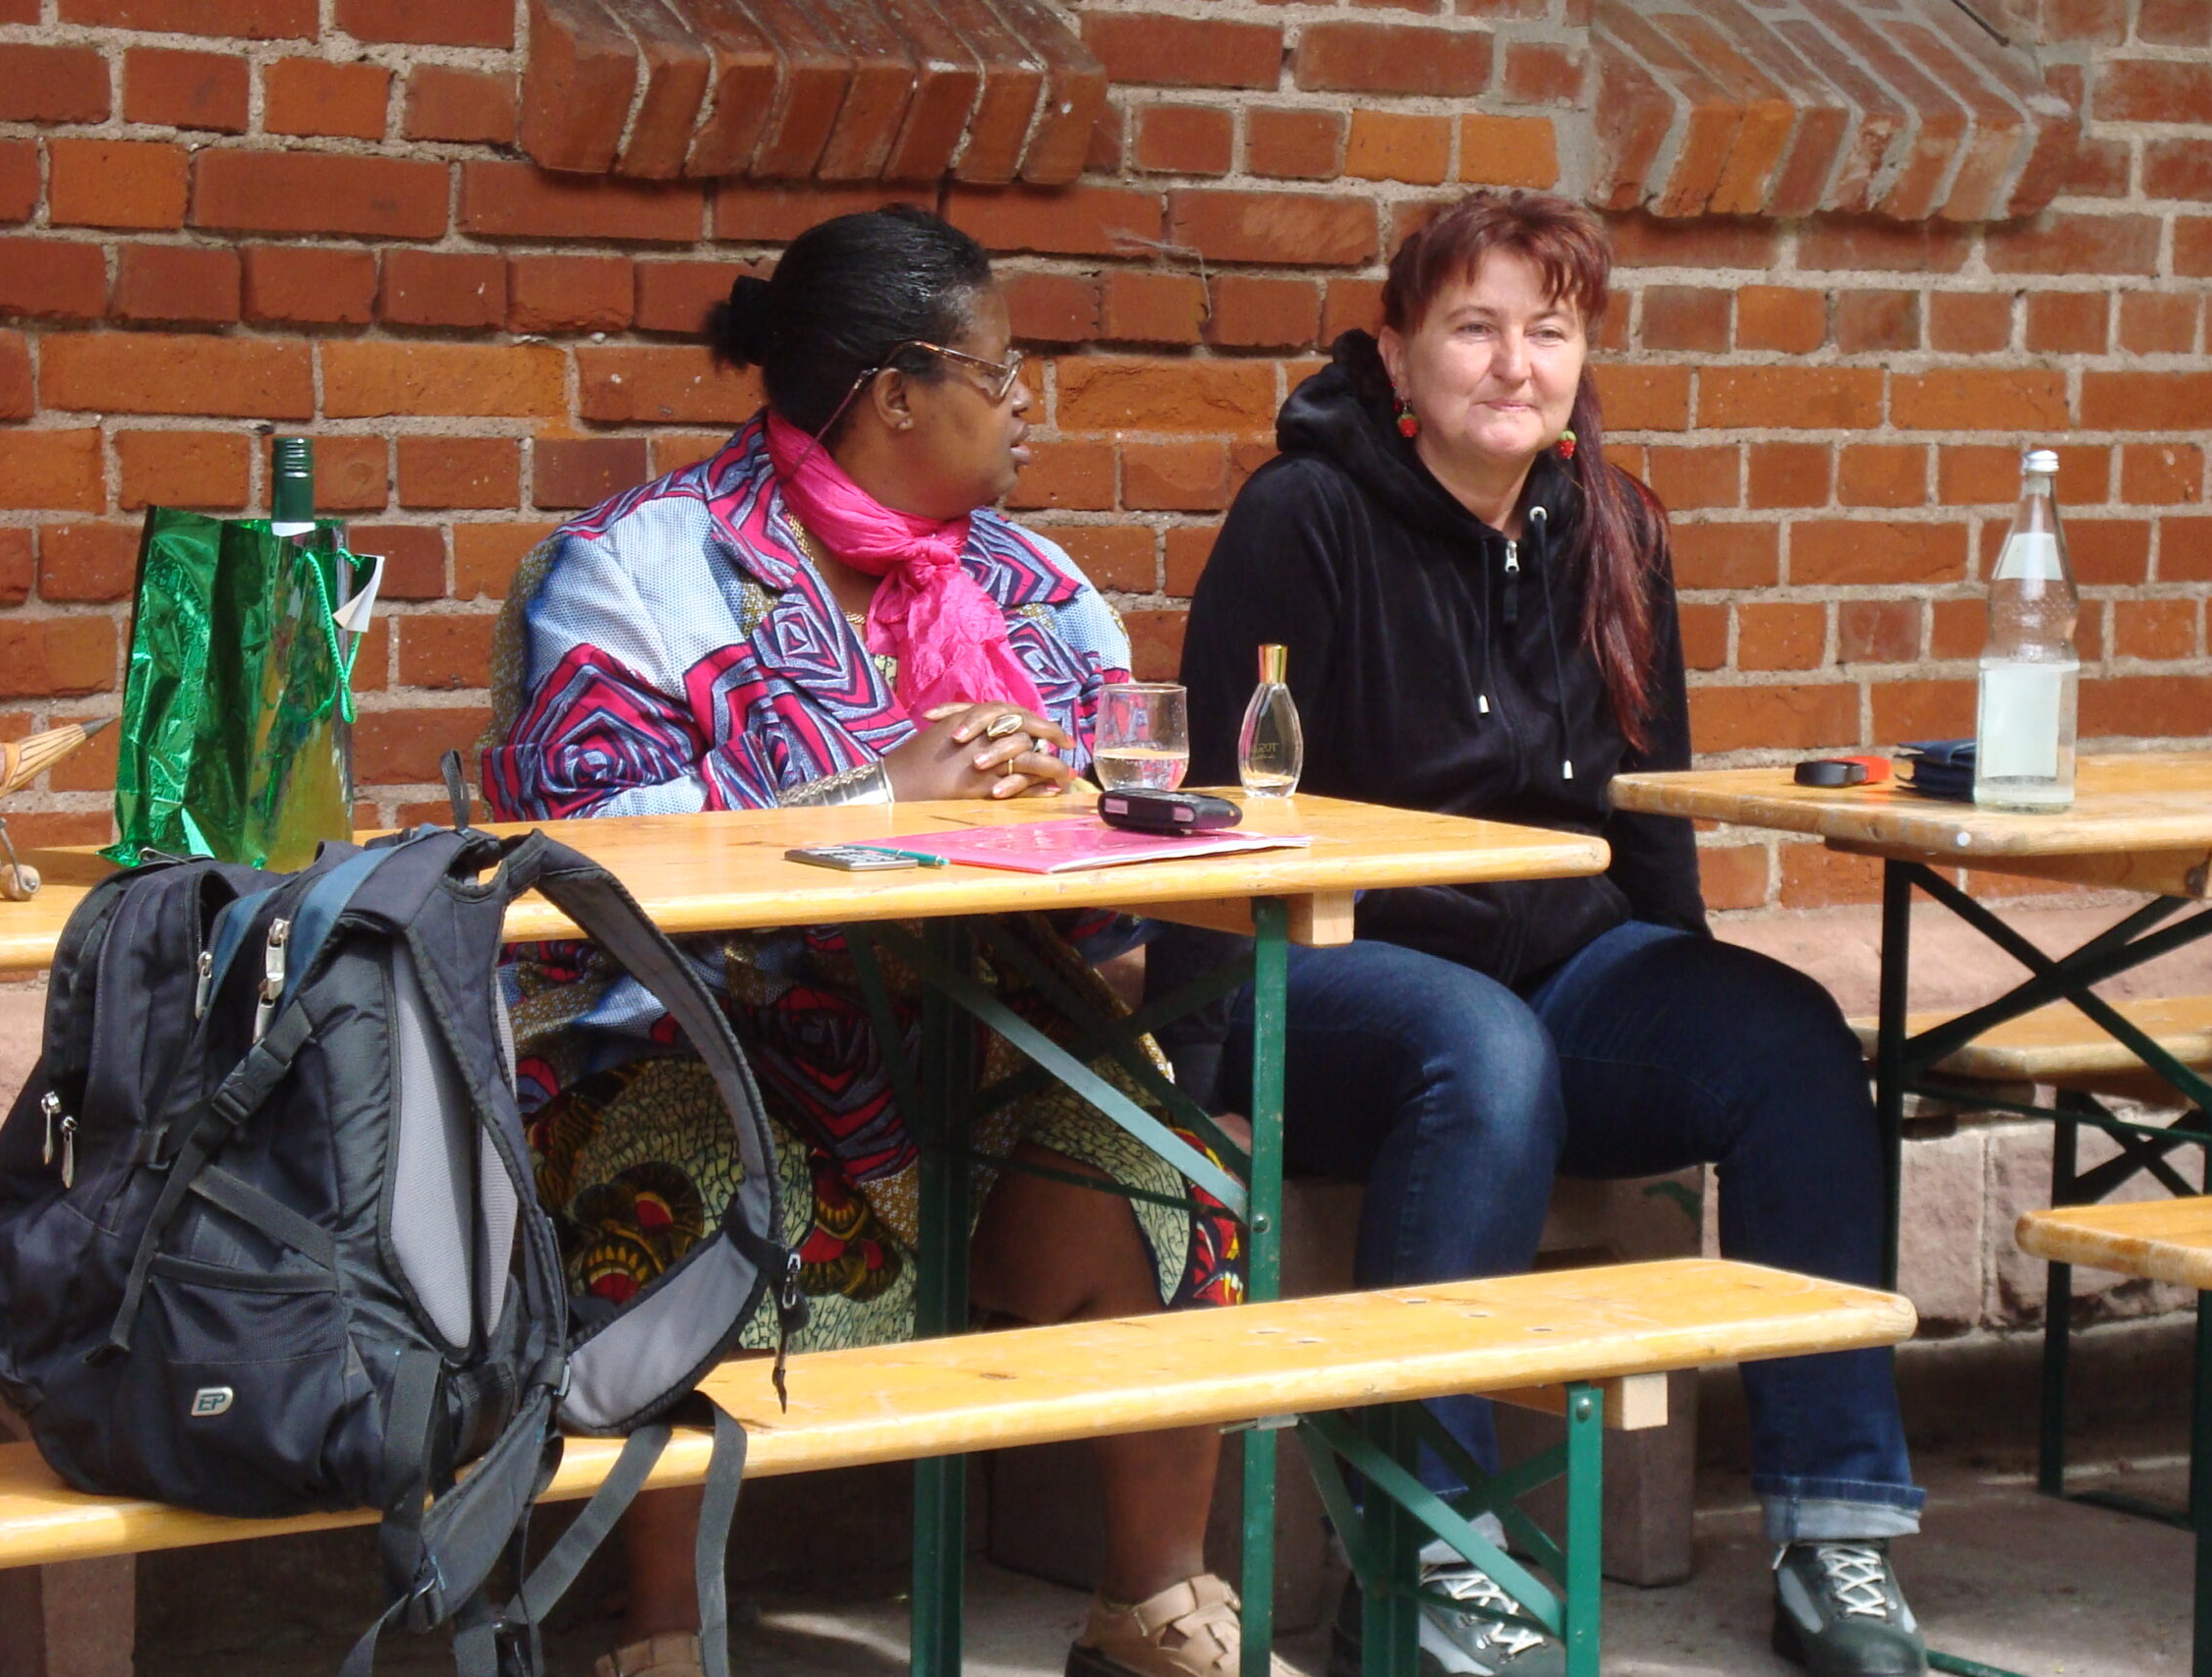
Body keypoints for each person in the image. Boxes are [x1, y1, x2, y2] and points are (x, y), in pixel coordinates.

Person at [483, 205, 1294, 1677]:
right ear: (895, 394)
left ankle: (1155, 1613)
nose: (1027, 402)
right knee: (675, 1171)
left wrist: (1074, 812)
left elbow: (1120, 832)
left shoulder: (1039, 592)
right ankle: (657, 1639)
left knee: (1172, 1168)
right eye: (999, 371)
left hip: (980, 1038)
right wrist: (874, 795)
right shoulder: (640, 569)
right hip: (709, 1047)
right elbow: (576, 837)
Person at [1157, 190, 1927, 1677]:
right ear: (1396, 354)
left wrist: (1688, 992)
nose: (1517, 364)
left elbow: (1647, 812)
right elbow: (1222, 815)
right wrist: (1199, 1075)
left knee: (1786, 1040)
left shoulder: (1616, 526)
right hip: (1315, 978)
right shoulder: (1303, 516)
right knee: (1484, 1048)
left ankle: (1838, 1530)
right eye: (1476, 327)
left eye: (1551, 331)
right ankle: (1431, 1560)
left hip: (1557, 971)